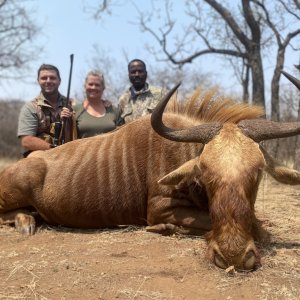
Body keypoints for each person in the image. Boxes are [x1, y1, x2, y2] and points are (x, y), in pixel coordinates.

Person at [17, 64, 75, 157]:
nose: (48, 81)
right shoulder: (30, 107)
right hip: (43, 156)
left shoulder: (72, 104)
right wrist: (55, 150)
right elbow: (27, 141)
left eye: (52, 78)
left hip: (70, 155)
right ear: (38, 81)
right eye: (44, 78)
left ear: (59, 81)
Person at [73, 70, 121, 138]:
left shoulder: (114, 111)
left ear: (103, 88)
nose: (93, 87)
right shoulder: (74, 110)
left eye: (97, 85)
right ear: (85, 86)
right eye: (90, 84)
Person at [118, 59, 165, 123]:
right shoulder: (123, 99)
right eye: (133, 72)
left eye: (140, 71)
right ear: (129, 75)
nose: (137, 74)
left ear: (146, 73)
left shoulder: (161, 94)